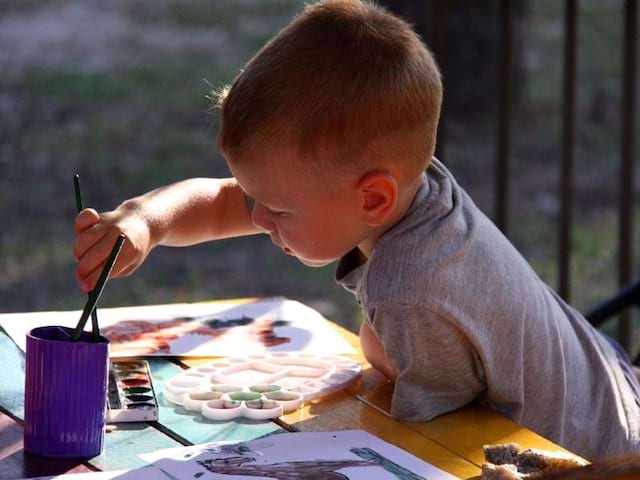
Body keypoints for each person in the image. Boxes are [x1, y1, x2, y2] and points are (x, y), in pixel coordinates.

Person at [72, 0, 640, 460]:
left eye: (277, 209)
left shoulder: (412, 286)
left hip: (589, 459)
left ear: (372, 197)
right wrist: (147, 219)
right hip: (613, 389)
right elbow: (225, 202)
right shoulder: (415, 189)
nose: (258, 218)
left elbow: (429, 450)